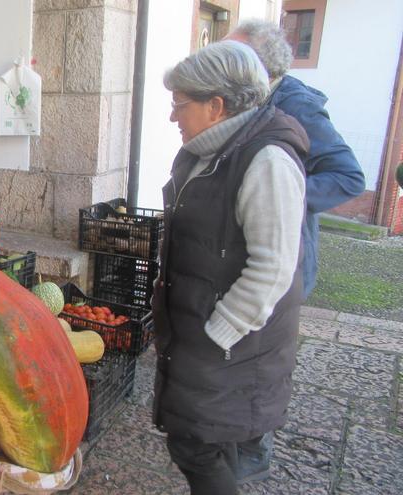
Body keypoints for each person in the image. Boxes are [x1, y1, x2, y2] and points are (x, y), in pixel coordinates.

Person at [151, 40, 308, 494]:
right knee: (206, 441)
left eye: (180, 105)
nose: (172, 116)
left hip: (231, 344)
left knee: (194, 445)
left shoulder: (267, 160)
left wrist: (217, 333)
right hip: (205, 336)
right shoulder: (211, 150)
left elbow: (274, 266)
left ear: (216, 105)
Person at [227, 20, 366, 301]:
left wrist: (273, 195)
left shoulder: (296, 106)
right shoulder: (243, 100)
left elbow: (348, 178)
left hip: (281, 263)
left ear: (257, 65)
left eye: (230, 54)